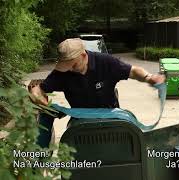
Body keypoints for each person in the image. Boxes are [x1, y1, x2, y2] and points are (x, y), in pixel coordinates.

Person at [30, 38, 165, 147]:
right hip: (80, 120)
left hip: (111, 118)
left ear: (83, 56)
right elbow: (39, 88)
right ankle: (39, 160)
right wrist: (37, 95)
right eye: (66, 66)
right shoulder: (62, 73)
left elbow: (134, 71)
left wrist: (149, 77)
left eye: (73, 65)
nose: (69, 69)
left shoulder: (106, 62)